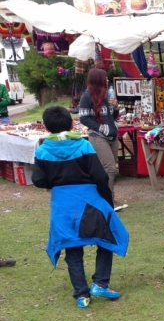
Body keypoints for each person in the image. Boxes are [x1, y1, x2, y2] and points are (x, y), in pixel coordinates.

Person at [32, 105, 128, 308]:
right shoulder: (83, 146)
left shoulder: (42, 150)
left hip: (63, 206)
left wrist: (55, 181)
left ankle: (81, 295)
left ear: (47, 128)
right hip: (89, 201)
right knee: (106, 237)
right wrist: (107, 201)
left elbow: (38, 180)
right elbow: (100, 176)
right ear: (70, 123)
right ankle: (100, 283)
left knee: (72, 246)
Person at [79, 69, 120, 203]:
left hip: (112, 135)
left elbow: (112, 117)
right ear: (98, 80)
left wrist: (115, 107)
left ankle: (107, 197)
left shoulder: (106, 95)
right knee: (110, 168)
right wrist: (101, 129)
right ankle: (108, 200)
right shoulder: (87, 96)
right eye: (105, 78)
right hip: (98, 136)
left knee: (109, 169)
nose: (108, 80)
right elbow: (84, 118)